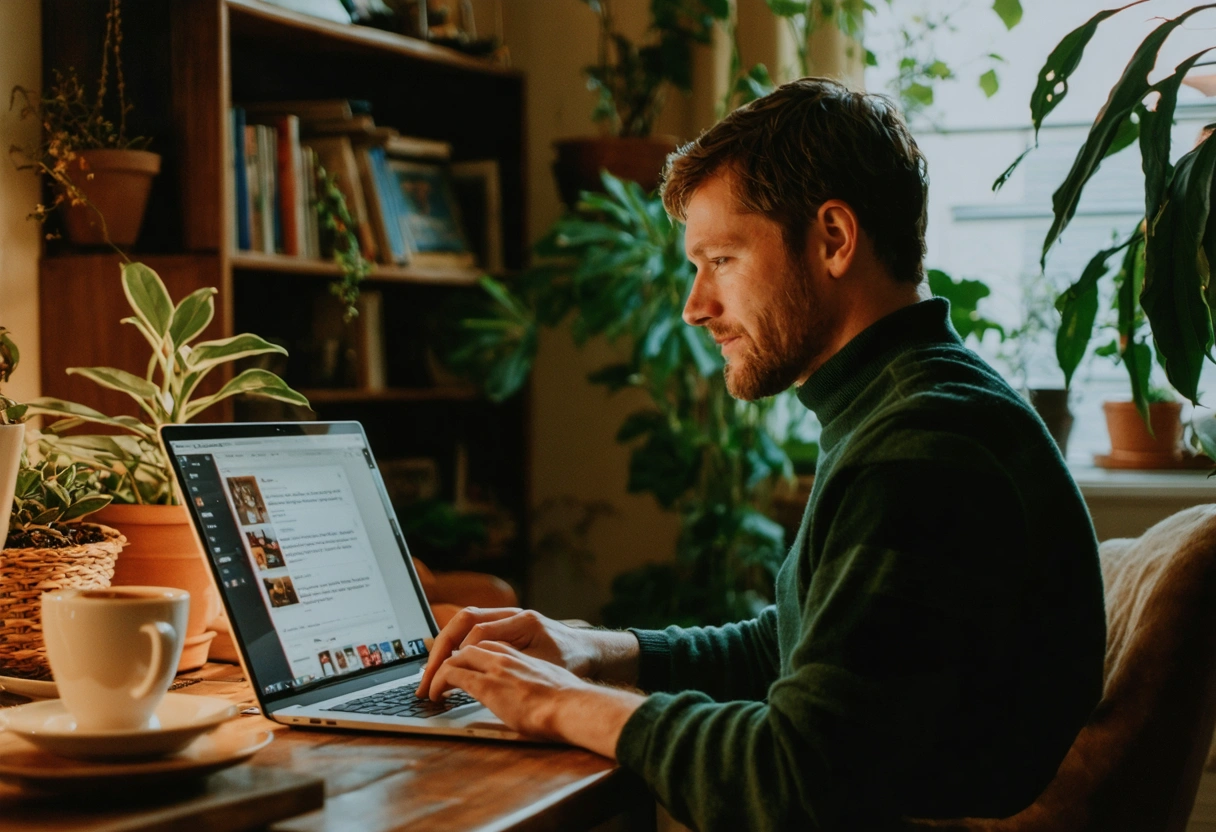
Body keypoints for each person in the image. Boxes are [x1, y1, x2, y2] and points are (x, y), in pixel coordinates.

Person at [416, 77, 1105, 830]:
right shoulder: (909, 406)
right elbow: (795, 647)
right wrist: (592, 651)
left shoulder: (924, 448)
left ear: (834, 240)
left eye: (722, 259)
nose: (695, 305)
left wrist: (564, 703)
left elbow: (797, 780)